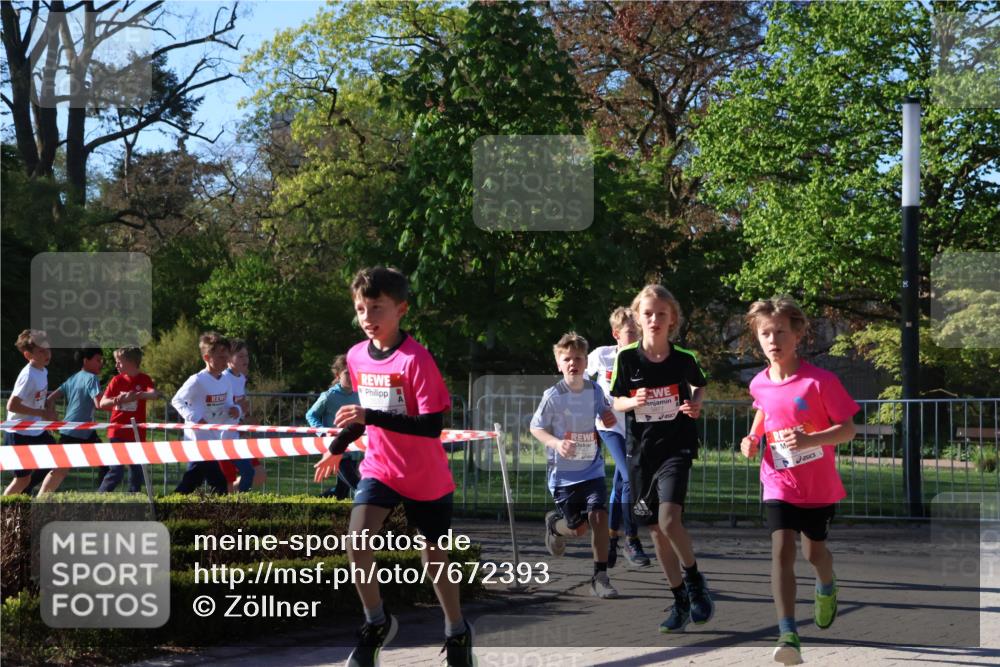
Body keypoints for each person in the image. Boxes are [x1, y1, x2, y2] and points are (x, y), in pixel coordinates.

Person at [313, 266, 473, 667]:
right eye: (361, 309)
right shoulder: (354, 355)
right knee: (356, 541)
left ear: (401, 309)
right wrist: (337, 447)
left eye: (377, 308)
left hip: (426, 476)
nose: (368, 317)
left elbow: (431, 426)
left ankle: (456, 630)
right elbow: (362, 414)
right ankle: (376, 623)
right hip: (380, 468)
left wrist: (369, 418)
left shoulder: (416, 360)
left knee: (434, 563)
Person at [739, 297, 858, 666]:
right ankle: (788, 632)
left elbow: (848, 430)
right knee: (781, 551)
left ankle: (826, 585)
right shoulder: (759, 382)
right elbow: (763, 408)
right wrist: (753, 437)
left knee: (814, 553)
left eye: (780, 332)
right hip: (777, 481)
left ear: (798, 334)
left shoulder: (820, 381)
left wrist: (812, 441)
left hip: (817, 486)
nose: (772, 340)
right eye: (765, 334)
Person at [609, 284, 714, 633]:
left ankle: (695, 581)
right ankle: (679, 599)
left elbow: (699, 386)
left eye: (661, 314)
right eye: (648, 313)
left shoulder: (684, 357)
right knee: (655, 530)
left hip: (677, 446)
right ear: (638, 318)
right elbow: (616, 402)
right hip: (642, 452)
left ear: (672, 319)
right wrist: (633, 402)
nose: (654, 319)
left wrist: (696, 404)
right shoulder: (626, 358)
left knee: (669, 521)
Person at [531, 332, 620, 599]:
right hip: (564, 475)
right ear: (559, 363)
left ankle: (600, 577)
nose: (573, 363)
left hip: (591, 467)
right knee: (578, 529)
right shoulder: (553, 395)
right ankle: (554, 525)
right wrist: (557, 444)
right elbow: (536, 428)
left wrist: (606, 416)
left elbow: (604, 411)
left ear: (585, 362)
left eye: (578, 358)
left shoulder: (594, 390)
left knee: (599, 517)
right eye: (567, 359)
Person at [587, 306, 650, 568]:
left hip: (635, 428)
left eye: (639, 332)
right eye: (630, 333)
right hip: (609, 426)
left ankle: (612, 540)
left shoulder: (646, 357)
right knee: (630, 479)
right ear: (616, 334)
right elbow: (578, 382)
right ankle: (631, 539)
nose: (636, 337)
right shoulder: (601, 356)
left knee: (621, 486)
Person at [171, 332, 241, 495]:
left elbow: (230, 404)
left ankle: (169, 507)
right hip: (198, 440)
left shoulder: (226, 381)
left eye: (227, 356)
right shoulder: (197, 380)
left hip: (214, 439)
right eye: (221, 357)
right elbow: (177, 400)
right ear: (207, 358)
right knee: (218, 484)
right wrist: (195, 418)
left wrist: (235, 410)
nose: (226, 361)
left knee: (192, 481)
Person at [96, 347, 159, 493]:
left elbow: (154, 394)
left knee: (137, 471)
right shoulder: (116, 380)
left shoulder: (144, 379)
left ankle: (133, 499)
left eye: (119, 362)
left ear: (131, 362)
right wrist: (118, 399)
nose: (116, 365)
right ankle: (99, 498)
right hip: (117, 431)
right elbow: (102, 403)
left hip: (137, 433)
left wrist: (136, 395)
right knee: (116, 470)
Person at [44, 345, 104, 494]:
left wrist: (52, 415)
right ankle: (39, 498)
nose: (101, 363)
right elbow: (99, 404)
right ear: (86, 361)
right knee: (60, 470)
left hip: (79, 431)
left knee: (107, 463)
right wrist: (118, 400)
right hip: (76, 432)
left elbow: (50, 399)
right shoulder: (92, 378)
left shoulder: (73, 378)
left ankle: (103, 496)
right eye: (98, 360)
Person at [3, 330, 57, 496]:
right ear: (28, 355)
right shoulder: (28, 375)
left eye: (48, 349)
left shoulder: (43, 370)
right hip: (18, 432)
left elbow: (38, 397)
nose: (47, 353)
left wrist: (48, 412)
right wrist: (41, 413)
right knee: (22, 480)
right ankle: (4, 511)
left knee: (58, 459)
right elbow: (11, 405)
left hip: (36, 431)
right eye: (41, 351)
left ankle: (32, 498)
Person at [307, 354, 361, 499]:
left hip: (354, 451)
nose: (351, 377)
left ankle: (314, 504)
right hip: (337, 451)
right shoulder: (328, 396)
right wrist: (324, 434)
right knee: (359, 487)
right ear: (337, 375)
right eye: (347, 373)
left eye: (354, 372)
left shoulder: (360, 395)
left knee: (340, 493)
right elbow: (311, 415)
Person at [219, 339, 258, 492]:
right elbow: (227, 409)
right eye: (240, 356)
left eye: (247, 356)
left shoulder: (241, 378)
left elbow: (239, 407)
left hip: (234, 437)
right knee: (226, 481)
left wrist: (246, 418)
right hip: (220, 438)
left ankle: (236, 506)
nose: (245, 360)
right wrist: (239, 409)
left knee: (250, 473)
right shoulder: (223, 378)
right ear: (229, 358)